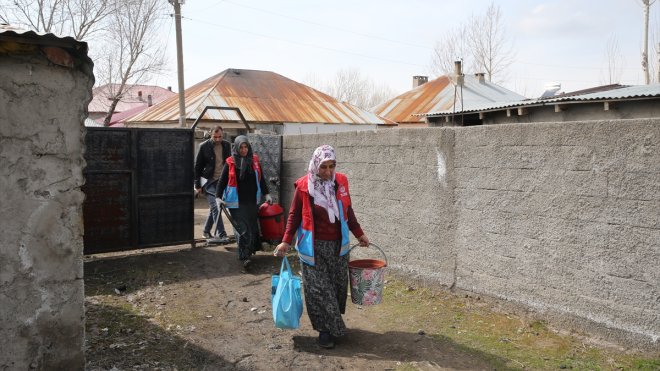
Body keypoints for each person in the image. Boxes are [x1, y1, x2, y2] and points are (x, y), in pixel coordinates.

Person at [274, 144, 369, 349]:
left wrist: (359, 234)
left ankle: (331, 324)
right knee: (319, 291)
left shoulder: (340, 182)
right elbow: (294, 216)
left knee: (335, 288)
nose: (327, 172)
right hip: (312, 248)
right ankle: (326, 331)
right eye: (323, 167)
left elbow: (348, 212)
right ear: (315, 165)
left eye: (331, 166)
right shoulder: (303, 186)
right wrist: (285, 240)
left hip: (338, 247)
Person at [216, 135, 272, 268]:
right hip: (236, 203)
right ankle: (244, 256)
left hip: (252, 201)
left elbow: (261, 179)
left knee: (252, 228)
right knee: (243, 229)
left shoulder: (254, 161)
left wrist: (267, 194)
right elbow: (222, 181)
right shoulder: (230, 162)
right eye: (241, 147)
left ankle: (249, 251)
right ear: (236, 147)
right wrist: (218, 197)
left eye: (245, 146)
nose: (243, 150)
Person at [194, 125, 232, 241]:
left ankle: (206, 231)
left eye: (219, 136)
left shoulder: (226, 145)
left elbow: (229, 163)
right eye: (215, 137)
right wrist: (197, 185)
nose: (217, 139)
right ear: (211, 135)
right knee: (216, 206)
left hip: (222, 182)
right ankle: (222, 234)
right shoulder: (203, 146)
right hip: (208, 182)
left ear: (222, 134)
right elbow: (197, 167)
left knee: (213, 208)